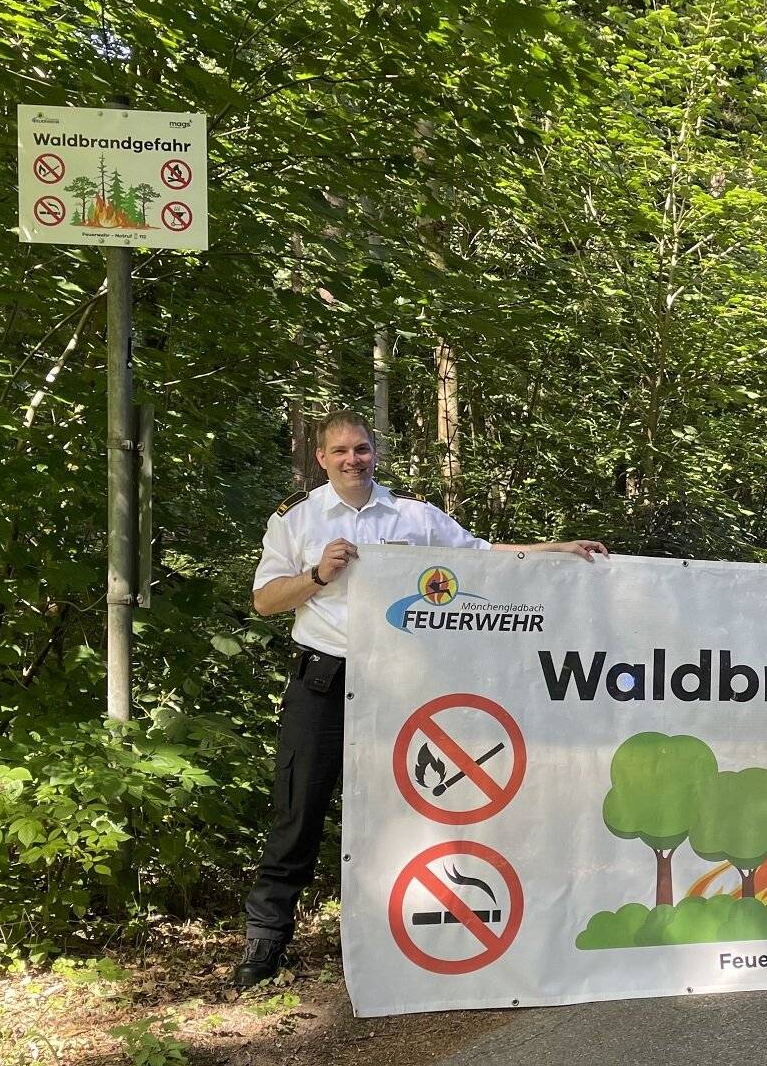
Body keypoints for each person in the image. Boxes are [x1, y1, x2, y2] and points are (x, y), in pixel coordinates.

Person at [235, 409, 606, 991]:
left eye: (361, 449)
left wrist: (554, 550)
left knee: (413, 811)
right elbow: (265, 601)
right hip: (323, 683)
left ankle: (413, 936)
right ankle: (265, 943)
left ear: (374, 451)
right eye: (341, 452)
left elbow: (481, 554)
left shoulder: (413, 515)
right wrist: (316, 574)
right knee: (298, 810)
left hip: (403, 686)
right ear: (321, 458)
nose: (353, 460)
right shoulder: (296, 521)